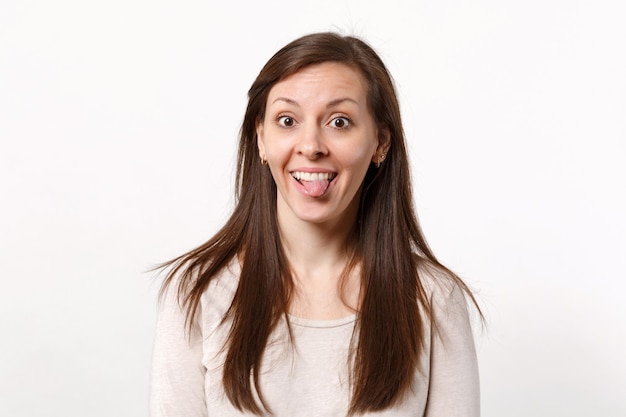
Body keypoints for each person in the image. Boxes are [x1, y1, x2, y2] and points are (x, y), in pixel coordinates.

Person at [150, 32, 481, 417]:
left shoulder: (434, 300)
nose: (311, 145)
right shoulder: (198, 293)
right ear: (260, 137)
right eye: (287, 120)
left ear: (380, 143)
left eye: (339, 122)